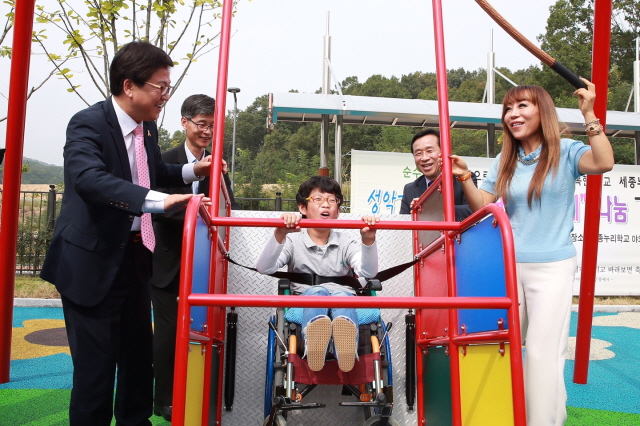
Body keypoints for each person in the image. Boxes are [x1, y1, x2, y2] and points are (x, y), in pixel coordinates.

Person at [40, 41, 213, 426]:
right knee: (96, 371)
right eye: (160, 87)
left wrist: (192, 171)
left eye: (168, 87)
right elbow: (89, 179)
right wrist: (159, 201)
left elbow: (152, 170)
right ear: (129, 85)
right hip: (91, 262)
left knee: (138, 360)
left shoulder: (146, 127)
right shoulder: (87, 123)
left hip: (135, 258)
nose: (165, 96)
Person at [449, 79, 614, 426]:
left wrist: (590, 114)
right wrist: (465, 178)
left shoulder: (566, 151)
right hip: (509, 268)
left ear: (542, 111)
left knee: (541, 353)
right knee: (502, 346)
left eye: (522, 105)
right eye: (508, 108)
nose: (513, 114)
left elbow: (603, 162)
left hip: (553, 267)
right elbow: (483, 206)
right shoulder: (505, 159)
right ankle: (512, 416)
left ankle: (544, 421)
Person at [150, 94, 239, 421]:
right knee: (168, 334)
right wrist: (196, 211)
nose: (207, 131)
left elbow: (228, 209)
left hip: (205, 268)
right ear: (184, 122)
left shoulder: (218, 167)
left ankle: (195, 394)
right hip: (170, 263)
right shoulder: (164, 161)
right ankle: (164, 400)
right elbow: (156, 207)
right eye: (202, 124)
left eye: (212, 126)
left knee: (201, 334)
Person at [256, 176, 379, 373]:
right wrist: (280, 234)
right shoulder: (293, 240)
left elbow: (368, 272)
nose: (326, 205)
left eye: (332, 200)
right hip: (307, 298)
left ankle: (344, 349)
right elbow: (264, 268)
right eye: (318, 199)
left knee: (342, 296)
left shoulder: (346, 241)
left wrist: (368, 240)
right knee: (317, 293)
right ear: (302, 208)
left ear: (338, 211)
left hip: (343, 298)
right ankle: (315, 344)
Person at [400, 128, 477, 220]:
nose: (424, 158)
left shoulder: (464, 179)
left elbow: (473, 210)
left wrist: (434, 209)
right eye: (418, 153)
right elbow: (404, 221)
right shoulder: (409, 189)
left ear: (443, 152)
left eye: (429, 151)